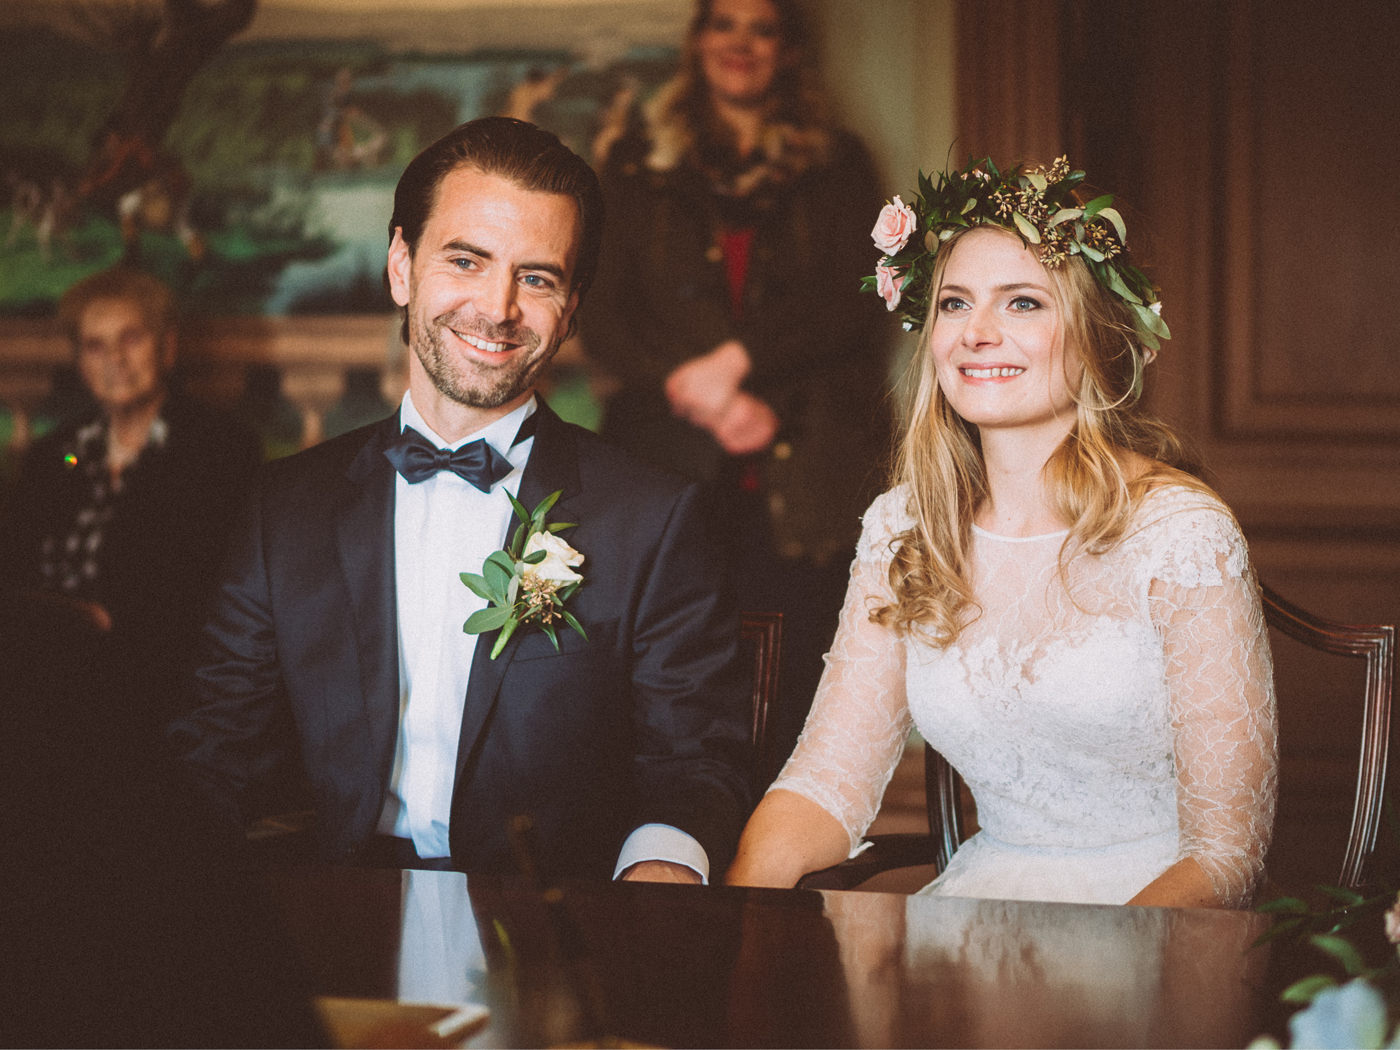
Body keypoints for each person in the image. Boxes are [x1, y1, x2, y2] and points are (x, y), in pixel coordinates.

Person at [169, 117, 752, 883]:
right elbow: (216, 749)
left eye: (537, 277)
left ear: (572, 309)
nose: (498, 306)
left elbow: (694, 764)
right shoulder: (287, 507)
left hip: (554, 928)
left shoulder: (653, 519)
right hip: (330, 916)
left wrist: (659, 881)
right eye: (466, 261)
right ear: (402, 267)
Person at [725, 157, 1279, 908]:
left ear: (1092, 333)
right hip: (979, 906)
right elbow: (826, 781)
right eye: (955, 304)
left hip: (1157, 930)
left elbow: (1226, 855)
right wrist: (735, 934)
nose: (978, 333)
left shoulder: (1180, 533)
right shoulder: (904, 527)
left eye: (1022, 303)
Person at [580, 0, 891, 785]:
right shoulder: (635, 162)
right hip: (664, 458)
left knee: (791, 702)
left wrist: (742, 370)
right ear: (697, 41)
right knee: (661, 687)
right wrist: (697, 389)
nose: (741, 43)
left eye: (762, 27)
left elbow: (854, 301)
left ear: (787, 50)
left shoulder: (839, 162)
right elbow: (605, 311)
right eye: (724, 23)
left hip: (804, 469)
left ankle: (776, 884)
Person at [0, 266, 261, 735]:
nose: (114, 359)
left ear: (167, 346)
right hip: (40, 676)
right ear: (79, 359)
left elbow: (208, 594)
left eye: (131, 339)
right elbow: (14, 571)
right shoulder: (52, 455)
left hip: (152, 691)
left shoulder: (220, 451)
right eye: (95, 345)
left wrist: (99, 621)